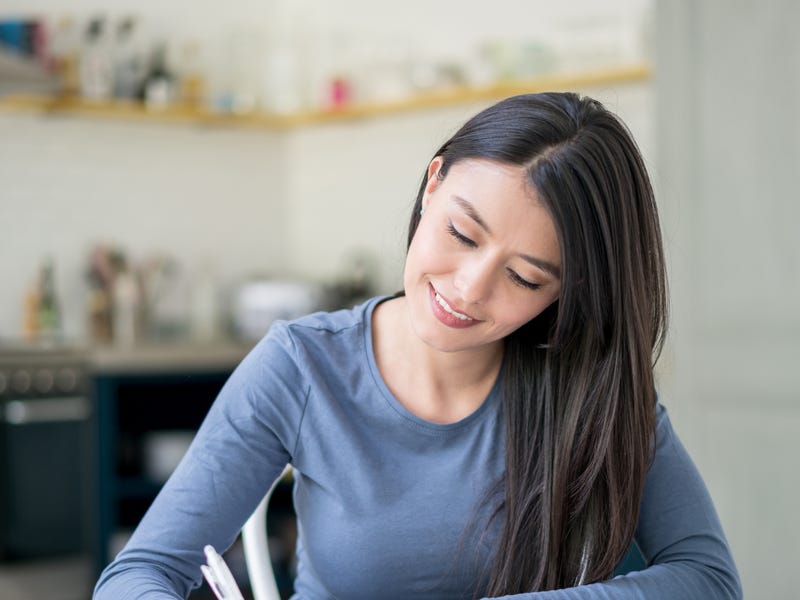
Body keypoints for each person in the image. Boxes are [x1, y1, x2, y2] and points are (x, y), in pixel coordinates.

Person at [93, 92, 742, 599]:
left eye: (524, 277)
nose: (468, 290)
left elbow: (708, 580)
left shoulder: (587, 383)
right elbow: (138, 572)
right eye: (463, 233)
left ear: (566, 293)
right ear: (433, 184)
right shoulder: (302, 366)